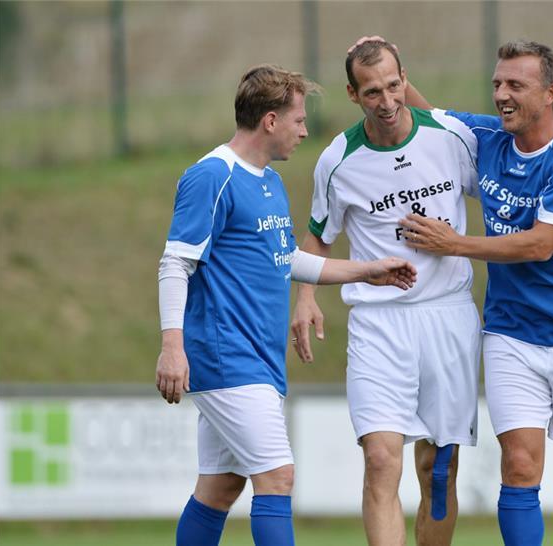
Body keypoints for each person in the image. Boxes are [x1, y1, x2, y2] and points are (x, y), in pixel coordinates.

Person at [155, 64, 417, 546]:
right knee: (277, 478)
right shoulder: (212, 176)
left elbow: (285, 259)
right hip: (225, 355)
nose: (304, 130)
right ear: (270, 121)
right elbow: (176, 263)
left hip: (257, 356)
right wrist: (172, 347)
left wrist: (366, 269)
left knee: (220, 487)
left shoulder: (269, 181)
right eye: (298, 120)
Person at [398, 40, 553, 546]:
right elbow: (425, 114)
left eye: (515, 85)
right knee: (520, 465)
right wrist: (389, 65)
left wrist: (454, 244)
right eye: (498, 83)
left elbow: (541, 245)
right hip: (511, 334)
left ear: (551, 93)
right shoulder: (487, 138)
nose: (501, 94)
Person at [290, 40, 481, 546]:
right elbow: (317, 236)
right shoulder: (338, 160)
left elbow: (503, 196)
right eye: (372, 91)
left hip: (449, 317)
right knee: (380, 460)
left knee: (439, 469)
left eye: (394, 86)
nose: (387, 101)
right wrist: (305, 298)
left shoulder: (451, 137)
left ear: (405, 79)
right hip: (378, 324)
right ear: (353, 94)